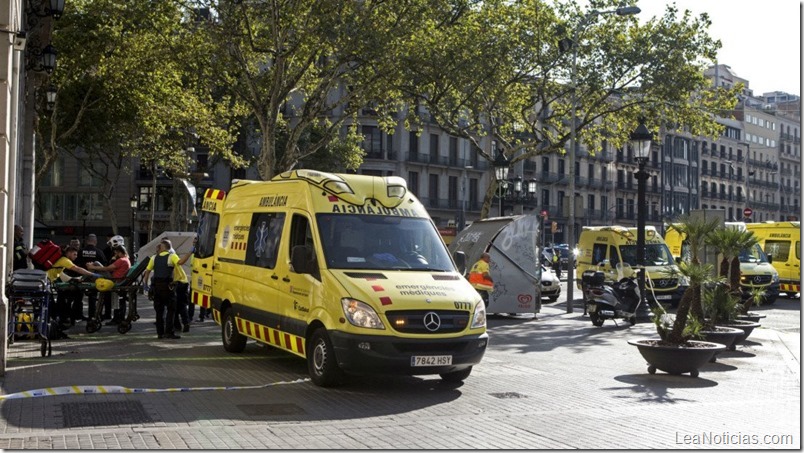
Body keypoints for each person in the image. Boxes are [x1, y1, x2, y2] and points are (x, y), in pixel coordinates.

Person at [47, 246, 102, 329]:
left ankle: (60, 322)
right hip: (46, 283)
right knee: (52, 306)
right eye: (74, 254)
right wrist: (92, 274)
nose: (76, 256)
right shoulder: (64, 260)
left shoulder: (60, 261)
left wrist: (73, 279)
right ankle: (56, 324)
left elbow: (61, 275)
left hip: (48, 282)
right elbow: (77, 269)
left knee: (54, 305)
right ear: (68, 253)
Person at [142, 240, 181, 340]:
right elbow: (180, 263)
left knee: (159, 311)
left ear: (162, 247)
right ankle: (169, 332)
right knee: (171, 310)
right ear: (169, 247)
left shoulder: (154, 258)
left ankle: (160, 333)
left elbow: (147, 272)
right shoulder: (172, 256)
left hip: (156, 288)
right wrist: (190, 253)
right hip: (168, 287)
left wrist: (145, 284)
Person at [75, 233, 108, 322]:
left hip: (81, 277)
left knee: (78, 297)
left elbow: (75, 264)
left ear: (86, 241)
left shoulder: (80, 251)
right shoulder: (99, 252)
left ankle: (78, 315)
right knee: (93, 297)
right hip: (94, 278)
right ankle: (92, 315)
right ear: (95, 241)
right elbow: (104, 266)